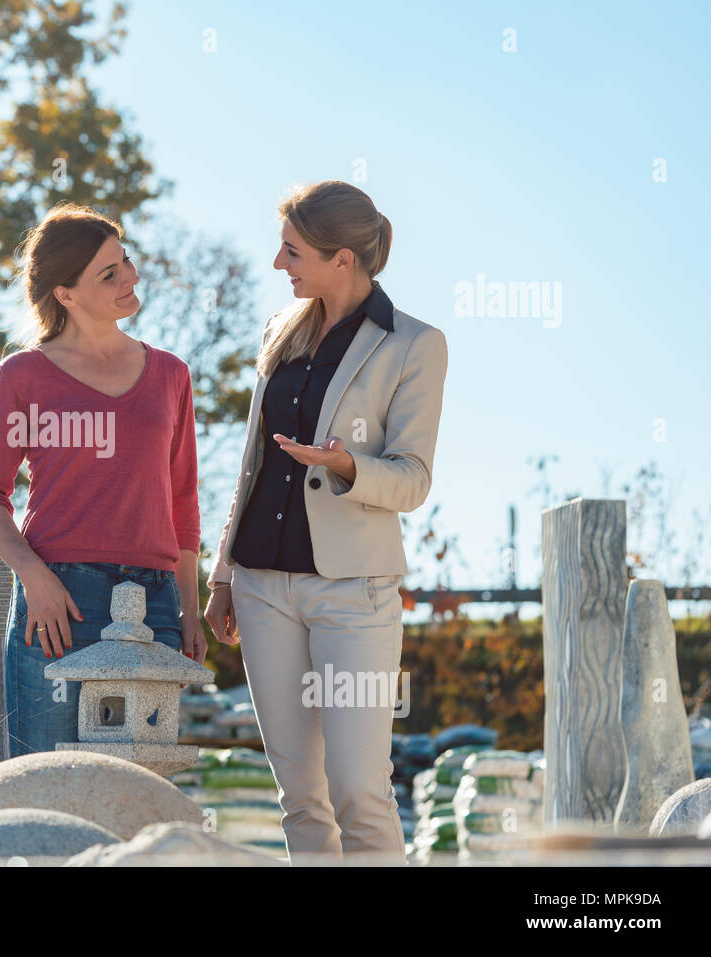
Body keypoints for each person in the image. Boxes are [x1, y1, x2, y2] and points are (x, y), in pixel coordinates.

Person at [203, 181, 448, 865]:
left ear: (343, 258)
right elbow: (251, 463)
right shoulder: (281, 333)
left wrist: (347, 466)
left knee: (358, 790)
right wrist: (223, 578)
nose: (280, 264)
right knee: (300, 796)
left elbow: (414, 478)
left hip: (353, 593)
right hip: (260, 586)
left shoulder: (415, 345)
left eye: (293, 251)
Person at [0, 201, 206, 758]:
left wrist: (189, 609)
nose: (131, 277)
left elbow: (182, 501)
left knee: (140, 790)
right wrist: (34, 577)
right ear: (65, 294)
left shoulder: (172, 374)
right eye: (109, 273)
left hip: (155, 602)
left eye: (126, 261)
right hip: (58, 603)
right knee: (49, 783)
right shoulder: (22, 375)